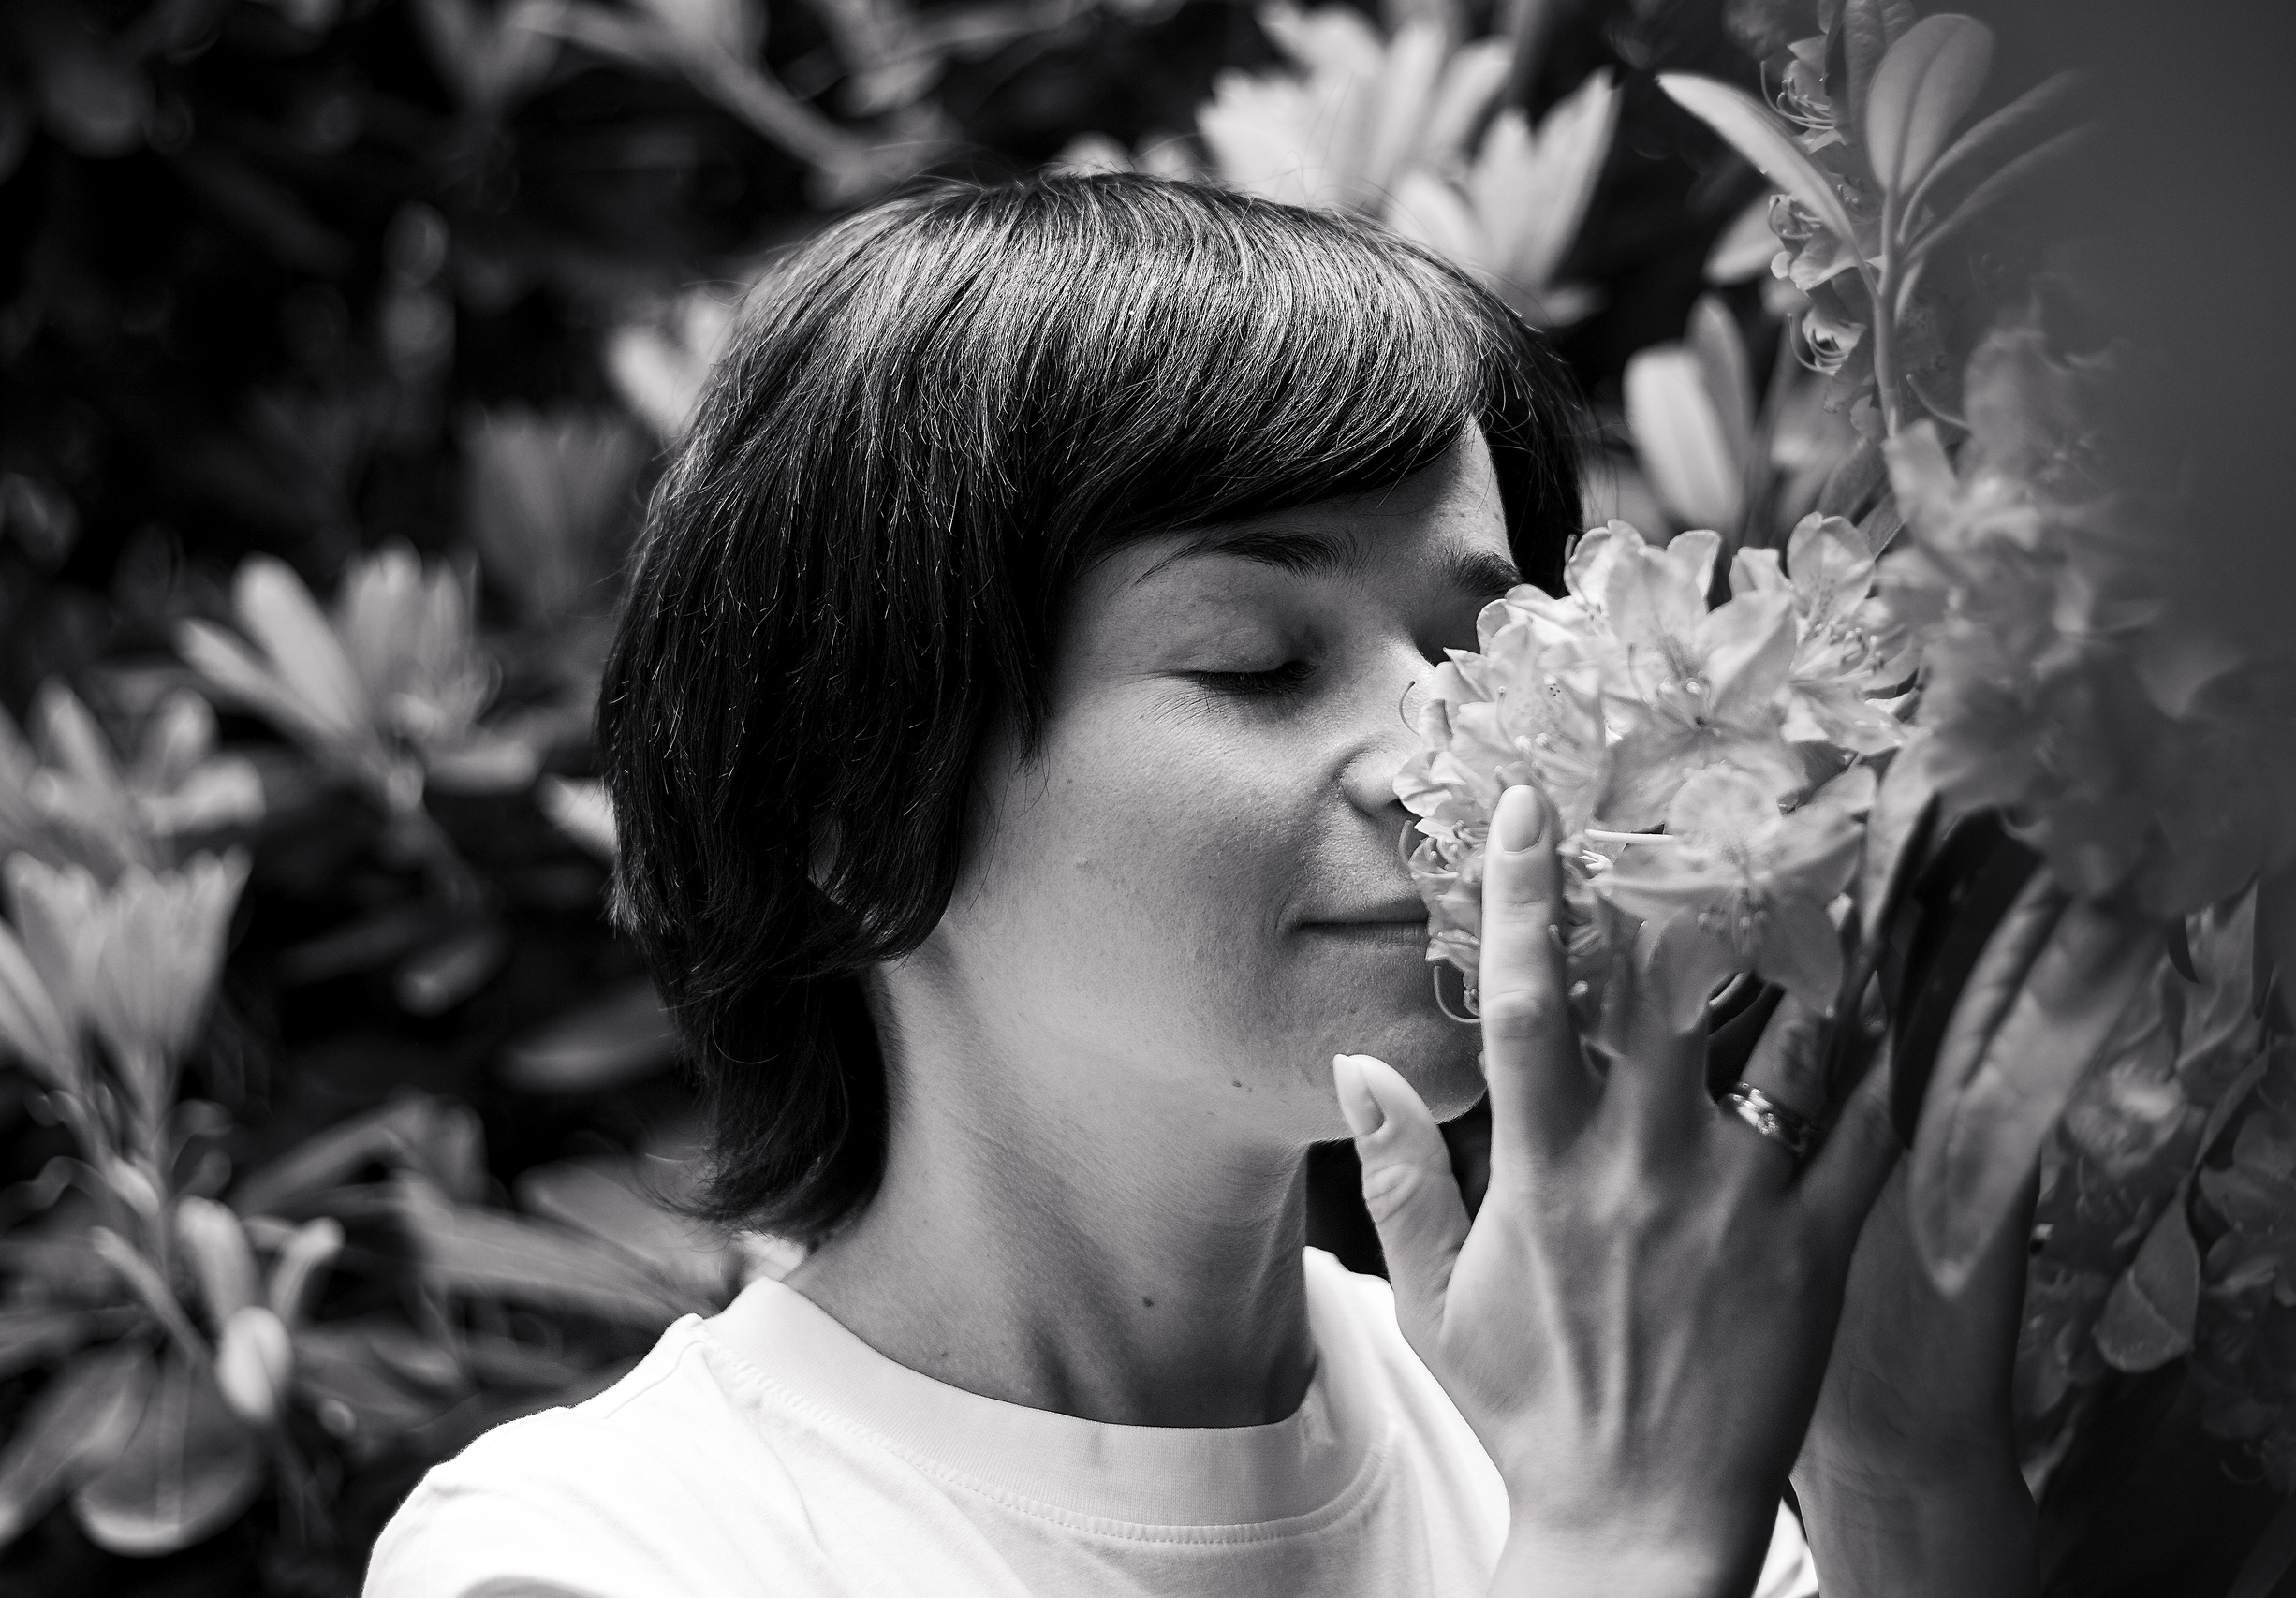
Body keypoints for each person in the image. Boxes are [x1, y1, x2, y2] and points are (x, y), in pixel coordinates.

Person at [365, 174, 2036, 1597]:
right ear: (854, 810)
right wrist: (1614, 1546)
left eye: (1483, 644)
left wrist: (1898, 1467)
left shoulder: (1561, 1399)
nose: (1447, 755)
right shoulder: (599, 1552)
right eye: (1256, 663)